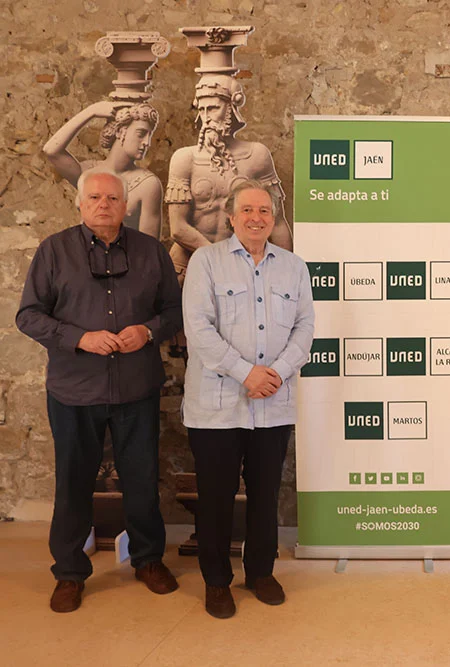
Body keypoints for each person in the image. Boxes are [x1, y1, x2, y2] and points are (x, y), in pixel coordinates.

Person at [16, 169, 183, 613]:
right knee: (73, 483)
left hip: (137, 389)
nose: (103, 205)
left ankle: (148, 560)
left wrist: (148, 332)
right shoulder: (53, 251)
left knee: (142, 481)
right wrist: (79, 338)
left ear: (125, 205)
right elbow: (28, 316)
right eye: (94, 197)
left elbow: (173, 310)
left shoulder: (151, 251)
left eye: (112, 198)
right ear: (80, 203)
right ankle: (69, 573)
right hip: (74, 391)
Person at [182, 180, 314, 619]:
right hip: (217, 406)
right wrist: (247, 373)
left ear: (273, 219)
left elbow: (305, 328)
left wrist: (276, 373)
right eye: (247, 210)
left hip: (273, 404)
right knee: (216, 498)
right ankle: (217, 581)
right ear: (231, 217)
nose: (256, 218)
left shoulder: (294, 267)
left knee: (264, 495)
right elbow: (198, 329)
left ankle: (260, 573)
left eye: (264, 211)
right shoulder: (206, 262)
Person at [165, 75, 292, 284]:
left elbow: (277, 223)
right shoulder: (184, 158)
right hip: (189, 266)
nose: (206, 117)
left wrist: (285, 271)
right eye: (202, 110)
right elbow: (178, 228)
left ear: (231, 108)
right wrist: (221, 260)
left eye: (213, 108)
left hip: (244, 267)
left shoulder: (256, 156)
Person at [43, 101, 163, 238]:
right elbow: (51, 150)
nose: (147, 142)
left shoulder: (148, 184)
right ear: (120, 132)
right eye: (141, 133)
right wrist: (91, 111)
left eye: (149, 135)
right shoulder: (88, 172)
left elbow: (150, 246)